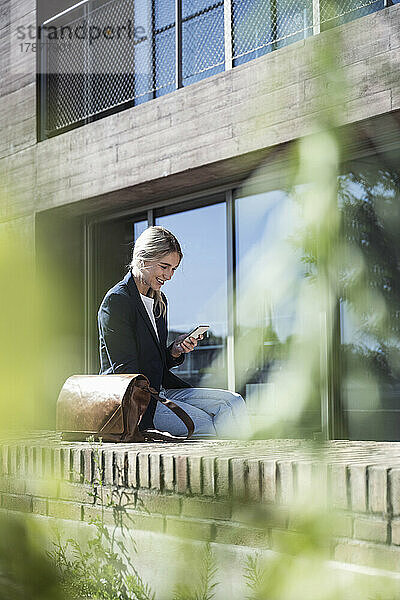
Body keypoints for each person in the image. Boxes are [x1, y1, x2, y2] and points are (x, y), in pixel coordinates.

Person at [98, 226, 250, 439]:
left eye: (174, 269)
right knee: (211, 425)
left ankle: (246, 468)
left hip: (161, 390)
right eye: (164, 267)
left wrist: (175, 350)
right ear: (143, 259)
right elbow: (125, 370)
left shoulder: (159, 302)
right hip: (136, 401)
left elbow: (156, 361)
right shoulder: (117, 301)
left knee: (234, 402)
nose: (168, 276)